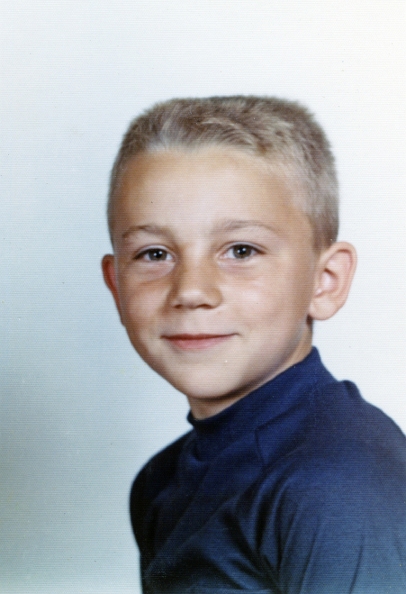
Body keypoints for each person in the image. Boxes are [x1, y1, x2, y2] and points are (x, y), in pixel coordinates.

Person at [102, 96, 406, 593]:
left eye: (241, 250)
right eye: (154, 254)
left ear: (325, 281)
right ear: (116, 286)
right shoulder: (160, 480)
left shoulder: (338, 484)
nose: (191, 291)